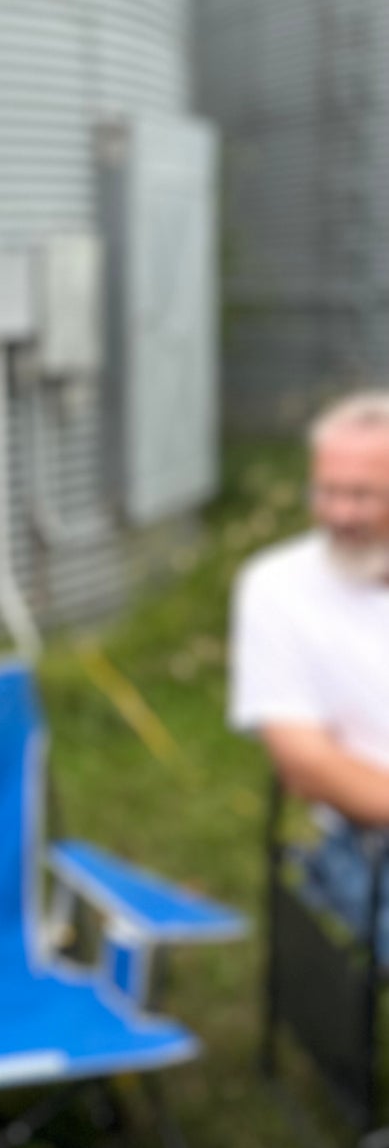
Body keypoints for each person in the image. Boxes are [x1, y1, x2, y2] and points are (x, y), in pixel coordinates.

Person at [229, 390, 389, 943]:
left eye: (364, 495)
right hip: (369, 839)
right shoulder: (278, 586)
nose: (340, 513)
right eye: (328, 492)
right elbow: (304, 761)